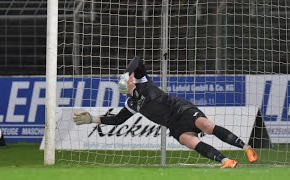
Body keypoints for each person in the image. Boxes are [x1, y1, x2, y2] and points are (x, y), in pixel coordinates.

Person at [73, 56, 258, 168]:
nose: (129, 80)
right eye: (126, 81)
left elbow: (138, 60)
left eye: (129, 79)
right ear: (124, 88)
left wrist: (126, 72)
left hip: (181, 109)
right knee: (189, 141)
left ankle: (246, 148)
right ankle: (225, 161)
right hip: (174, 125)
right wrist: (92, 119)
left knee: (206, 125)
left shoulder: (142, 81)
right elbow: (118, 120)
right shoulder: (132, 104)